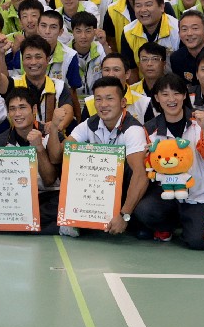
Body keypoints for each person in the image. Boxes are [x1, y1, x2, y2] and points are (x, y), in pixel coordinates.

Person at [133, 73, 204, 247]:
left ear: (184, 95)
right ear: (157, 98)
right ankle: (167, 226)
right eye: (165, 94)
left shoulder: (203, 120)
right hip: (167, 191)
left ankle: (193, 221)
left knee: (197, 242)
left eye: (176, 93)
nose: (171, 99)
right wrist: (148, 158)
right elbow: (147, 167)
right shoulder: (150, 129)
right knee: (145, 210)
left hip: (199, 193)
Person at [62, 76, 149, 235]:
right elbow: (63, 152)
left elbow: (141, 175)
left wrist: (124, 215)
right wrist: (55, 127)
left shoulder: (133, 130)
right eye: (98, 99)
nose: (103, 104)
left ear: (123, 102)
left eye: (110, 98)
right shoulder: (89, 124)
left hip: (126, 193)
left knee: (147, 211)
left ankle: (128, 221)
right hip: (100, 194)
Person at [0, 87, 61, 233]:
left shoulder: (51, 135)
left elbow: (50, 180)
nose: (17, 114)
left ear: (34, 109)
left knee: (62, 203)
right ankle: (37, 224)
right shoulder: (0, 142)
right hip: (17, 198)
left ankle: (19, 223)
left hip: (48, 195)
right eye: (12, 109)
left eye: (22, 107)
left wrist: (39, 148)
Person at [0, 34, 74, 138]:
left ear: (47, 60)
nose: (33, 62)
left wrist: (56, 126)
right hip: (19, 144)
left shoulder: (59, 86)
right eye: (28, 57)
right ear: (22, 60)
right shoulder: (13, 83)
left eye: (38, 57)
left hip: (51, 140)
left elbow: (68, 111)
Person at [119, 0, 181, 77]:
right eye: (138, 5)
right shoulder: (128, 31)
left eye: (148, 5)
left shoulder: (178, 30)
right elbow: (131, 69)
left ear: (161, 7)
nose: (143, 10)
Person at [81, 53, 152, 122]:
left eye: (116, 70)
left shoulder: (143, 103)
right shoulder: (90, 103)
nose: (111, 74)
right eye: (106, 70)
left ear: (127, 74)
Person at [169, 9, 204, 87]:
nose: (189, 33)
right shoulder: (176, 58)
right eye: (184, 29)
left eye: (195, 28)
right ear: (179, 34)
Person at [70, 11, 105, 99]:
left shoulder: (101, 49)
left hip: (97, 99)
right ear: (72, 32)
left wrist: (104, 44)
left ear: (95, 32)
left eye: (88, 31)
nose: (83, 36)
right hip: (73, 100)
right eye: (78, 31)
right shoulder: (65, 54)